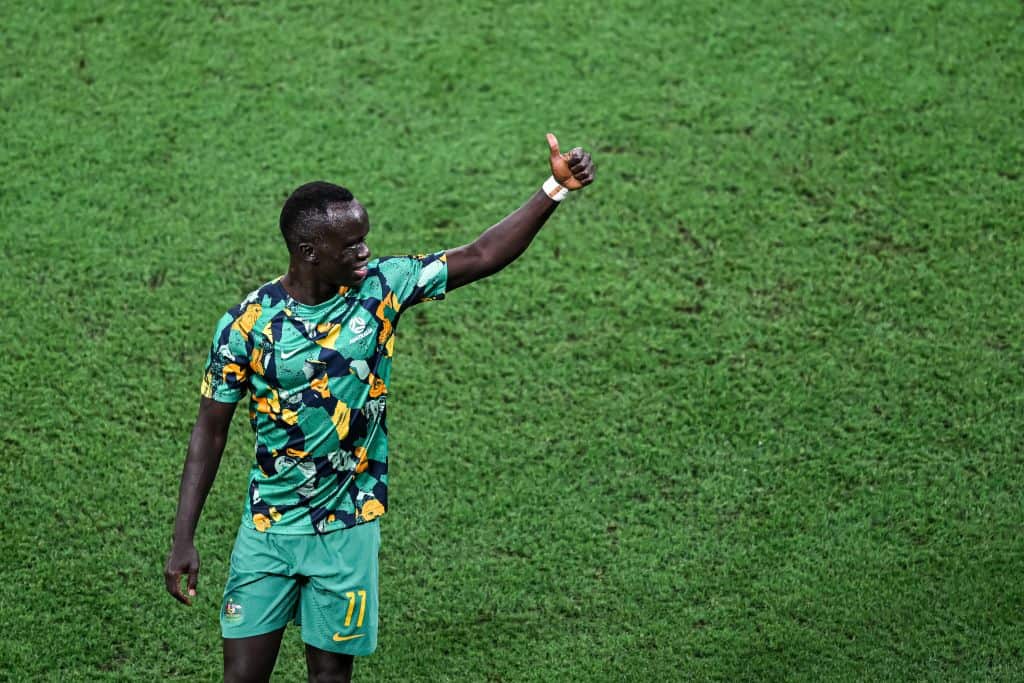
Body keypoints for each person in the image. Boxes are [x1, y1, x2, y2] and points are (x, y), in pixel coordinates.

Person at [164, 133, 595, 682]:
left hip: (348, 529)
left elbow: (482, 255)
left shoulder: (381, 290)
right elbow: (210, 432)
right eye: (351, 245)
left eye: (365, 238)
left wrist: (554, 188)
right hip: (267, 529)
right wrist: (184, 537)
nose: (365, 252)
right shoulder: (246, 325)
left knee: (330, 678)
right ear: (309, 252)